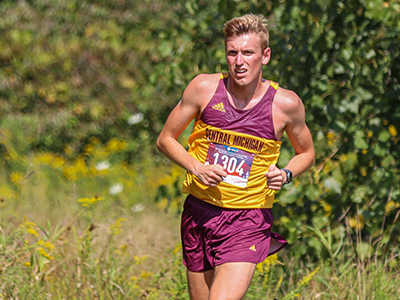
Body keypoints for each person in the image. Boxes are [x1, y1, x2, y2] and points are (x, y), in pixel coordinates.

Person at [157, 13, 315, 300]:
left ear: (265, 56)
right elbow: (165, 139)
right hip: (199, 213)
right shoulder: (204, 89)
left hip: (247, 218)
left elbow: (307, 153)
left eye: (248, 53)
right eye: (232, 53)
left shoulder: (285, 104)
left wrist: (287, 173)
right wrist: (196, 167)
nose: (239, 62)